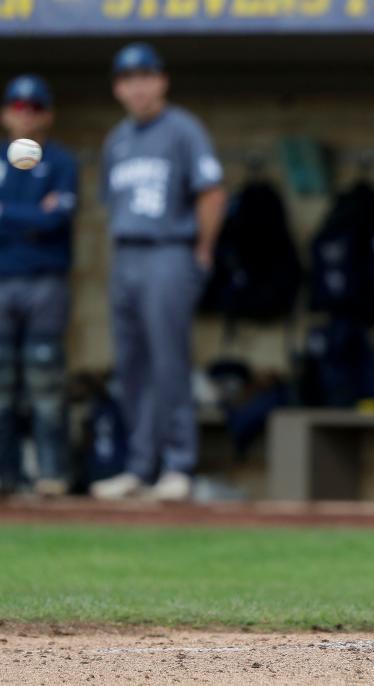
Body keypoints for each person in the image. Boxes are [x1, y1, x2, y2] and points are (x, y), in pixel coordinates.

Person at [90, 43, 226, 501]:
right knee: (130, 365)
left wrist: (202, 251)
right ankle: (139, 464)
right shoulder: (117, 140)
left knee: (169, 361)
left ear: (161, 81)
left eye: (146, 76)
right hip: (127, 253)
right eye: (129, 79)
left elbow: (211, 192)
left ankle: (178, 464)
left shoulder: (184, 130)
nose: (138, 86)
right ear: (118, 88)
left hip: (170, 249)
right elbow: (111, 206)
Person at [0, 75, 77, 496]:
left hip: (46, 283)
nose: (24, 116)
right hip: (2, 281)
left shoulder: (61, 162)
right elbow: (41, 218)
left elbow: (57, 219)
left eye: (33, 108)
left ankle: (53, 475)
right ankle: (4, 476)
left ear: (46, 115)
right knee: (2, 387)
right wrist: (32, 214)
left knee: (46, 384)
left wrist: (7, 213)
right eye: (17, 107)